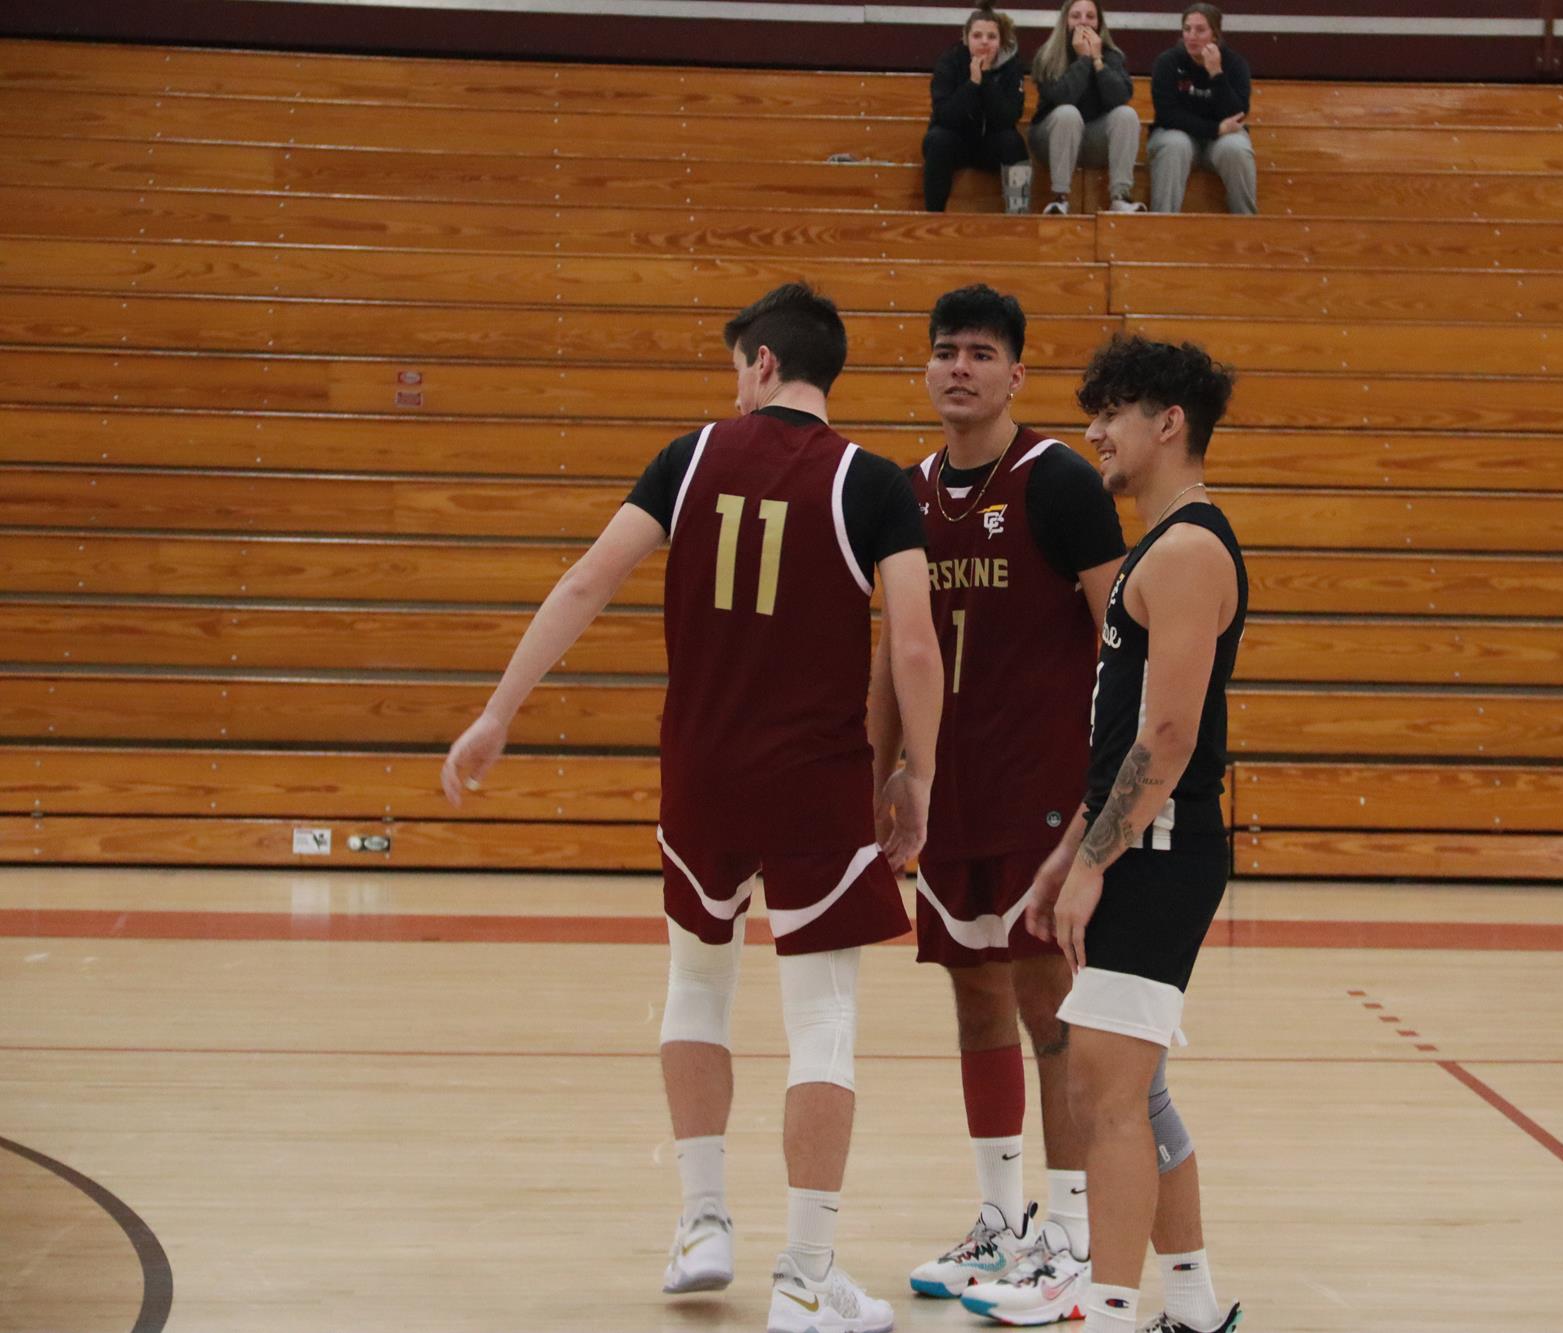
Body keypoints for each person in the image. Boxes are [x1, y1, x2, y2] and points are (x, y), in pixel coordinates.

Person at [440, 283, 943, 1333]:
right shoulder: (874, 482)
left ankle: (702, 1222)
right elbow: (910, 646)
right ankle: (805, 1275)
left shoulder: (689, 458)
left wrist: (496, 713)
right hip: (813, 783)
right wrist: (916, 780)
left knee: (695, 986)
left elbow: (585, 582)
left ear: (759, 364)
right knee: (823, 1022)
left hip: (700, 773)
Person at [867, 285, 1126, 1324]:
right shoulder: (902, 491)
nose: (959, 367)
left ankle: (1067, 1232)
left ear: (1016, 373)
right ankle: (997, 1216)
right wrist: (882, 772)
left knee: (1041, 1004)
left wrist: (1100, 797)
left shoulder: (1057, 481)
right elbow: (888, 651)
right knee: (971, 999)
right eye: (944, 351)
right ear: (926, 371)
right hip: (951, 793)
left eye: (980, 352)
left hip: (1040, 793)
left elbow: (1123, 637)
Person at [1023, 334, 1247, 1333]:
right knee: (1135, 1089)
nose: (1092, 431)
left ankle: (1110, 1312)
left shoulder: (1191, 550)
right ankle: (1192, 1307)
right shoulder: (1160, 548)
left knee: (1101, 1095)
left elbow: (1167, 735)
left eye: (1111, 411)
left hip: (1159, 856)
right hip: (1135, 846)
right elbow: (1120, 736)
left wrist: (1097, 862)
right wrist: (1071, 849)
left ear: (1168, 424)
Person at [1029, 0, 1145, 216]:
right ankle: (1060, 198)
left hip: (1093, 139)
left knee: (1126, 114)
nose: (1083, 21)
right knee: (1067, 113)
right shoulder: (1047, 55)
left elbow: (1120, 97)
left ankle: (1120, 197)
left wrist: (1098, 60)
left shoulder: (1112, 56)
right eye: (1076, 16)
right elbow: (1063, 97)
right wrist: (1083, 59)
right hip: (1050, 139)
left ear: (1099, 23)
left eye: (1090, 16)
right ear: (1065, 21)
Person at [1147, 3, 1256, 215]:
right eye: (1187, 29)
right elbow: (1168, 115)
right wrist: (1215, 129)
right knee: (1174, 145)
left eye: (1200, 30)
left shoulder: (1235, 64)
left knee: (1236, 149)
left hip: (1221, 140)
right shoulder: (1167, 62)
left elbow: (1237, 113)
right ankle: (1161, 222)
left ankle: (1247, 223)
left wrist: (1216, 74)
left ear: (1214, 35)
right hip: (1181, 133)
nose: (1191, 36)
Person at [926, 4, 1033, 214]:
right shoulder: (950, 62)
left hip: (991, 145)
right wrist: (972, 84)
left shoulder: (1011, 67)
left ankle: (1019, 214)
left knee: (1013, 141)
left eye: (992, 37)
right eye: (977, 36)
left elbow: (1009, 117)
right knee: (938, 140)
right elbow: (945, 115)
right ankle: (933, 215)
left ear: (1000, 41)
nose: (984, 42)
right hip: (956, 142)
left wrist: (986, 81)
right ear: (966, 39)